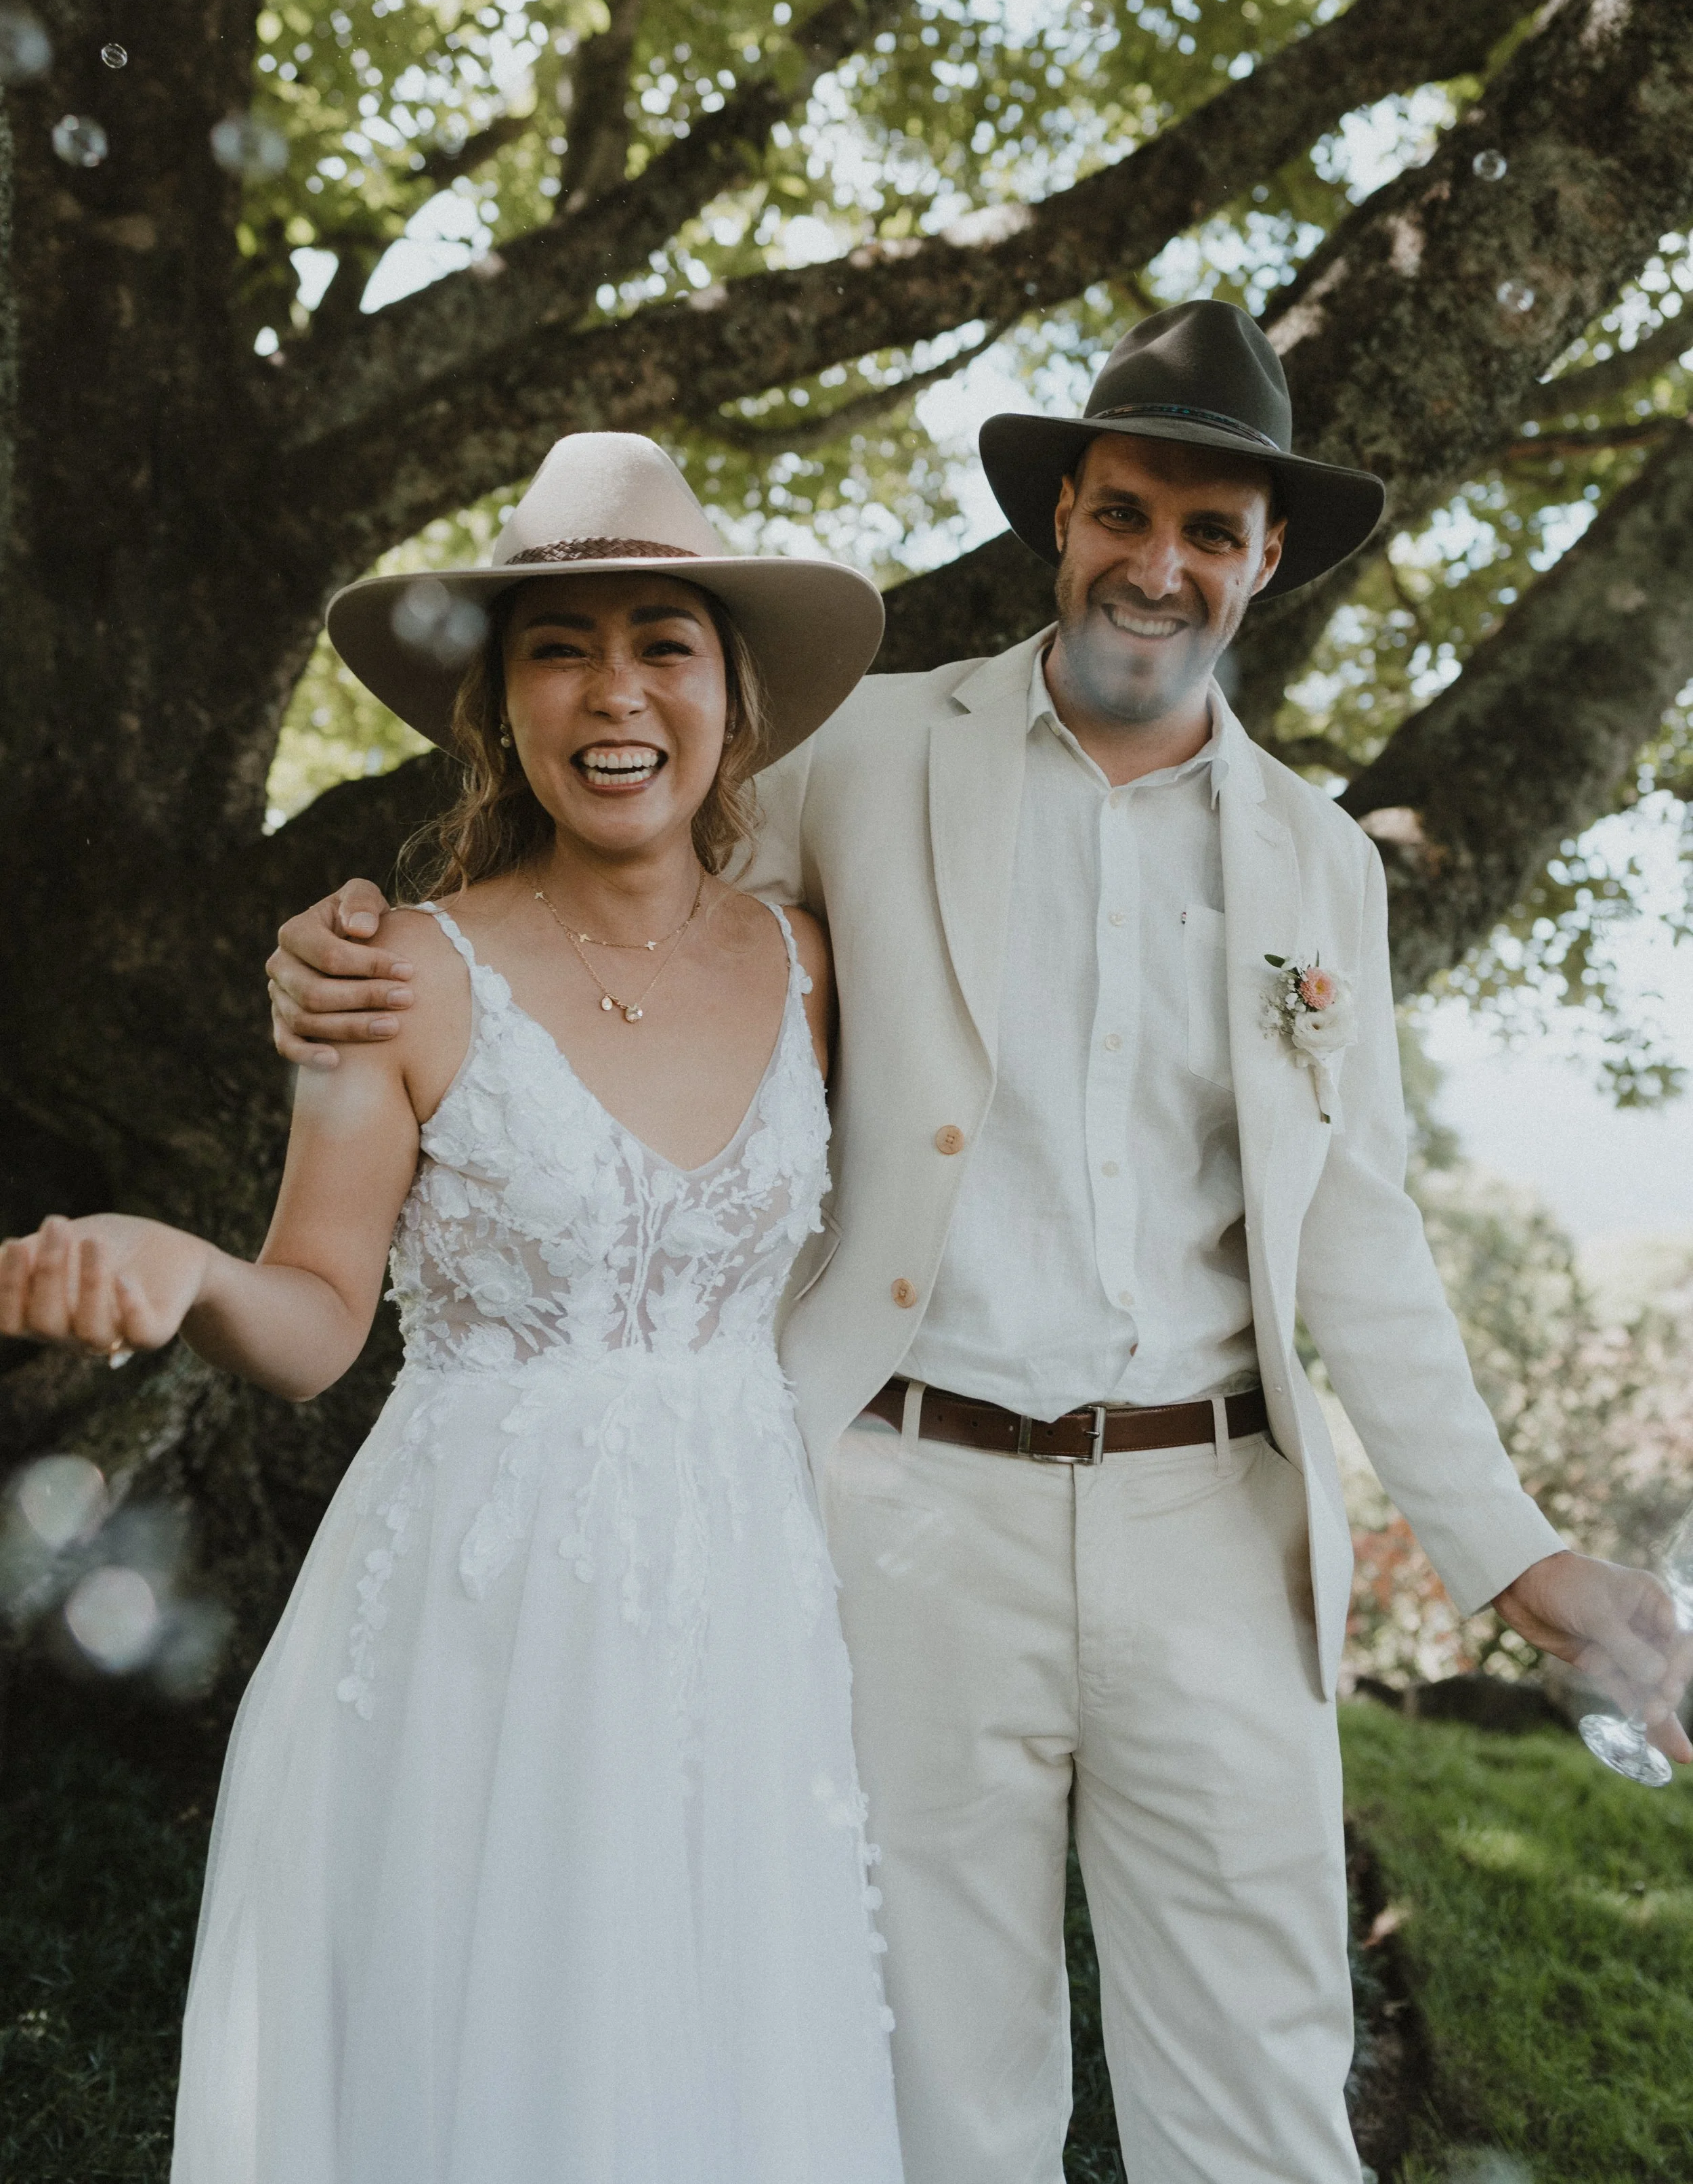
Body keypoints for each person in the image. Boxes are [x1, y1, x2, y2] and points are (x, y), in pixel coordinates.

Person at [269, 304, 1693, 2184]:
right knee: (941, 2095)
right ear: (1062, 521)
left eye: (1208, 530)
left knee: (1264, 2099)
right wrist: (365, 951)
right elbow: (612, 913)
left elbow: (1363, 1247)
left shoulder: (1314, 861)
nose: (1157, 563)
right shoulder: (857, 756)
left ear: (1265, 561)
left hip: (1214, 1525)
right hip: (902, 1506)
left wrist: (1517, 1557)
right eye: (1125, 510)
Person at [0, 435, 903, 2184]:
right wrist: (185, 1270)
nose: (614, 690)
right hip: (470, 1607)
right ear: (497, 707)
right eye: (559, 647)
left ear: (732, 698)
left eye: (664, 641)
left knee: (711, 2044)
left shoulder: (817, 962)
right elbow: (322, 1312)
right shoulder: (398, 965)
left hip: (736, 1602)